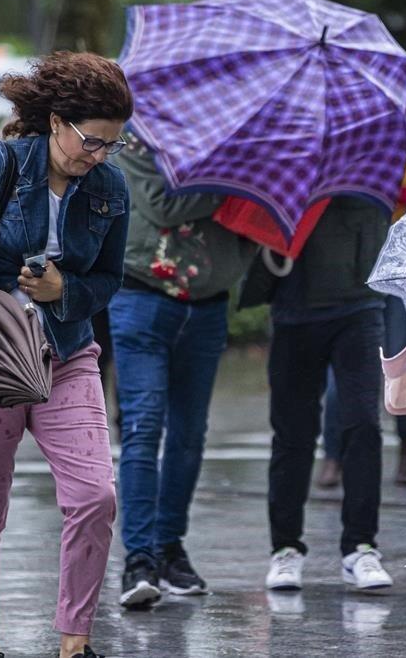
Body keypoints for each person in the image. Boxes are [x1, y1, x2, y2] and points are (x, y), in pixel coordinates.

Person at [0, 51, 132, 658]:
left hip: (68, 352)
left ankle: (74, 643)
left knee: (95, 495)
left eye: (110, 146)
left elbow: (109, 279)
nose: (97, 156)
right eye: (91, 142)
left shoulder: (109, 188)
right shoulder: (2, 164)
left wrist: (64, 291)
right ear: (56, 122)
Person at [108, 135, 258, 608]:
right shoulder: (136, 132)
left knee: (190, 433)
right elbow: (161, 205)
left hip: (208, 304)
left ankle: (170, 548)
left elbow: (262, 216)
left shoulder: (239, 137)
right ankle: (139, 558)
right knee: (143, 425)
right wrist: (234, 185)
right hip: (142, 296)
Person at [243, 193, 394, 594]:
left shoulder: (371, 147)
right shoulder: (283, 152)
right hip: (294, 304)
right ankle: (286, 547)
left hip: (359, 302)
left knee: (363, 423)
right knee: (293, 434)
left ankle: (361, 545)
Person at [317, 121, 406, 488]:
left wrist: (399, 186)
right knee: (342, 365)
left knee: (403, 363)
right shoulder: (348, 136)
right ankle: (334, 453)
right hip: (353, 265)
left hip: (405, 267)